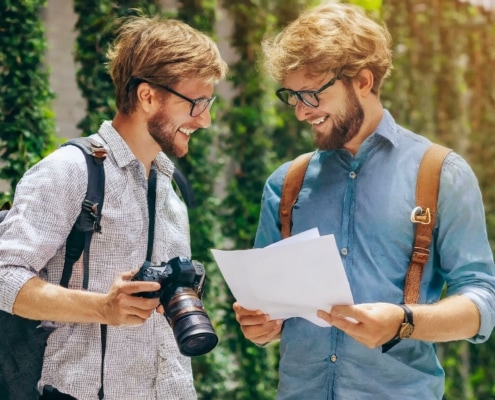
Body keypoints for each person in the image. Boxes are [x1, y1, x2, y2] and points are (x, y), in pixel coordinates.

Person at [233, 3, 495, 399]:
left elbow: (483, 302)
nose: (302, 111)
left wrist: (403, 322)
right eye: (292, 96)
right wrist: (259, 326)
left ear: (363, 81)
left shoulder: (441, 173)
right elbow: (267, 311)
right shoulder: (285, 184)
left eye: (313, 94)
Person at [0, 14, 227, 400]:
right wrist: (103, 308)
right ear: (147, 95)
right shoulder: (68, 171)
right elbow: (4, 277)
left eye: (210, 102)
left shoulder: (169, 187)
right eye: (196, 103)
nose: (204, 120)